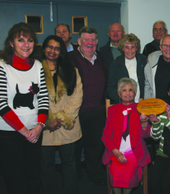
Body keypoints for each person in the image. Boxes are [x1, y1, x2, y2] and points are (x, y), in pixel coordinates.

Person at [0, 22, 49, 194]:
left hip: (35, 131)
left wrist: (39, 127)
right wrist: (24, 131)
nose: (26, 44)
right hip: (8, 134)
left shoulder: (37, 65)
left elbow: (43, 98)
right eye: (20, 40)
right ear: (11, 43)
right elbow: (0, 104)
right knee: (15, 178)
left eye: (30, 40)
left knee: (33, 175)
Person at [40, 35, 83, 194]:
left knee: (70, 163)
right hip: (44, 126)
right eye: (49, 47)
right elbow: (31, 100)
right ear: (44, 48)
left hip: (68, 125)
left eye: (57, 48)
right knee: (46, 165)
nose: (53, 51)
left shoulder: (71, 70)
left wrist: (62, 118)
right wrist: (48, 119)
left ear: (61, 51)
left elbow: (77, 96)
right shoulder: (34, 70)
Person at [69, 26, 107, 183]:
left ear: (97, 42)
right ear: (79, 41)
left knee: (96, 146)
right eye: (86, 40)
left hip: (98, 111)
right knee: (75, 147)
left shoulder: (102, 57)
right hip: (77, 111)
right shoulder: (70, 58)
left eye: (93, 40)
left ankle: (94, 174)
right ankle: (75, 176)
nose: (90, 43)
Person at [102, 77, 150, 194]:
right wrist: (117, 152)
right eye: (124, 90)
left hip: (135, 151)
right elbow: (106, 136)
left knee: (128, 174)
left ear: (135, 93)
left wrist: (144, 123)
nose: (127, 93)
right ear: (119, 93)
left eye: (131, 90)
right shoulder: (112, 110)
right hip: (116, 151)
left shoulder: (141, 109)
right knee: (115, 171)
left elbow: (146, 135)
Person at [107, 33, 147, 104]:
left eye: (132, 47)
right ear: (122, 48)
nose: (130, 50)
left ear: (136, 48)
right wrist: (122, 100)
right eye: (127, 47)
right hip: (123, 105)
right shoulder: (116, 64)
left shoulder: (144, 61)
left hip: (142, 103)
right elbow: (111, 88)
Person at [144, 34, 170, 102]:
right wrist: (148, 106)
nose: (168, 48)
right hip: (156, 107)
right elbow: (147, 87)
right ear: (160, 47)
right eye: (165, 45)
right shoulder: (151, 64)